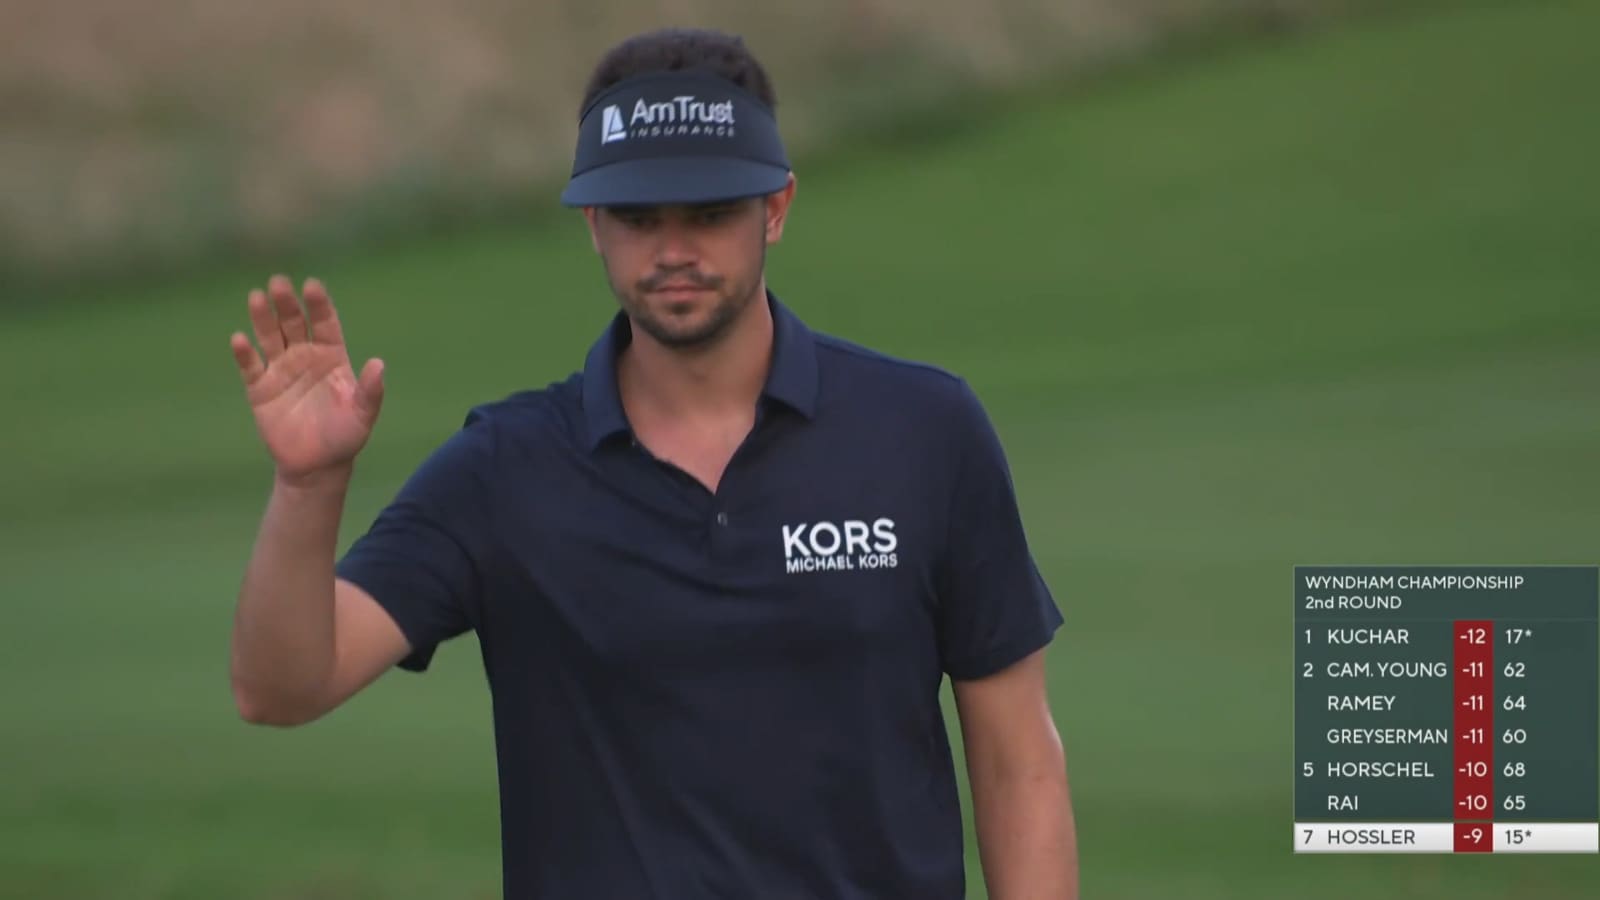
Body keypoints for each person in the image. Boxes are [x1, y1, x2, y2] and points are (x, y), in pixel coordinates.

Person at [228, 26, 1078, 900]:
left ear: (776, 209)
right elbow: (282, 687)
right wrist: (308, 485)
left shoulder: (925, 432)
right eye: (639, 216)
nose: (673, 249)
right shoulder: (505, 468)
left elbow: (1020, 764)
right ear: (595, 225)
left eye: (709, 212)